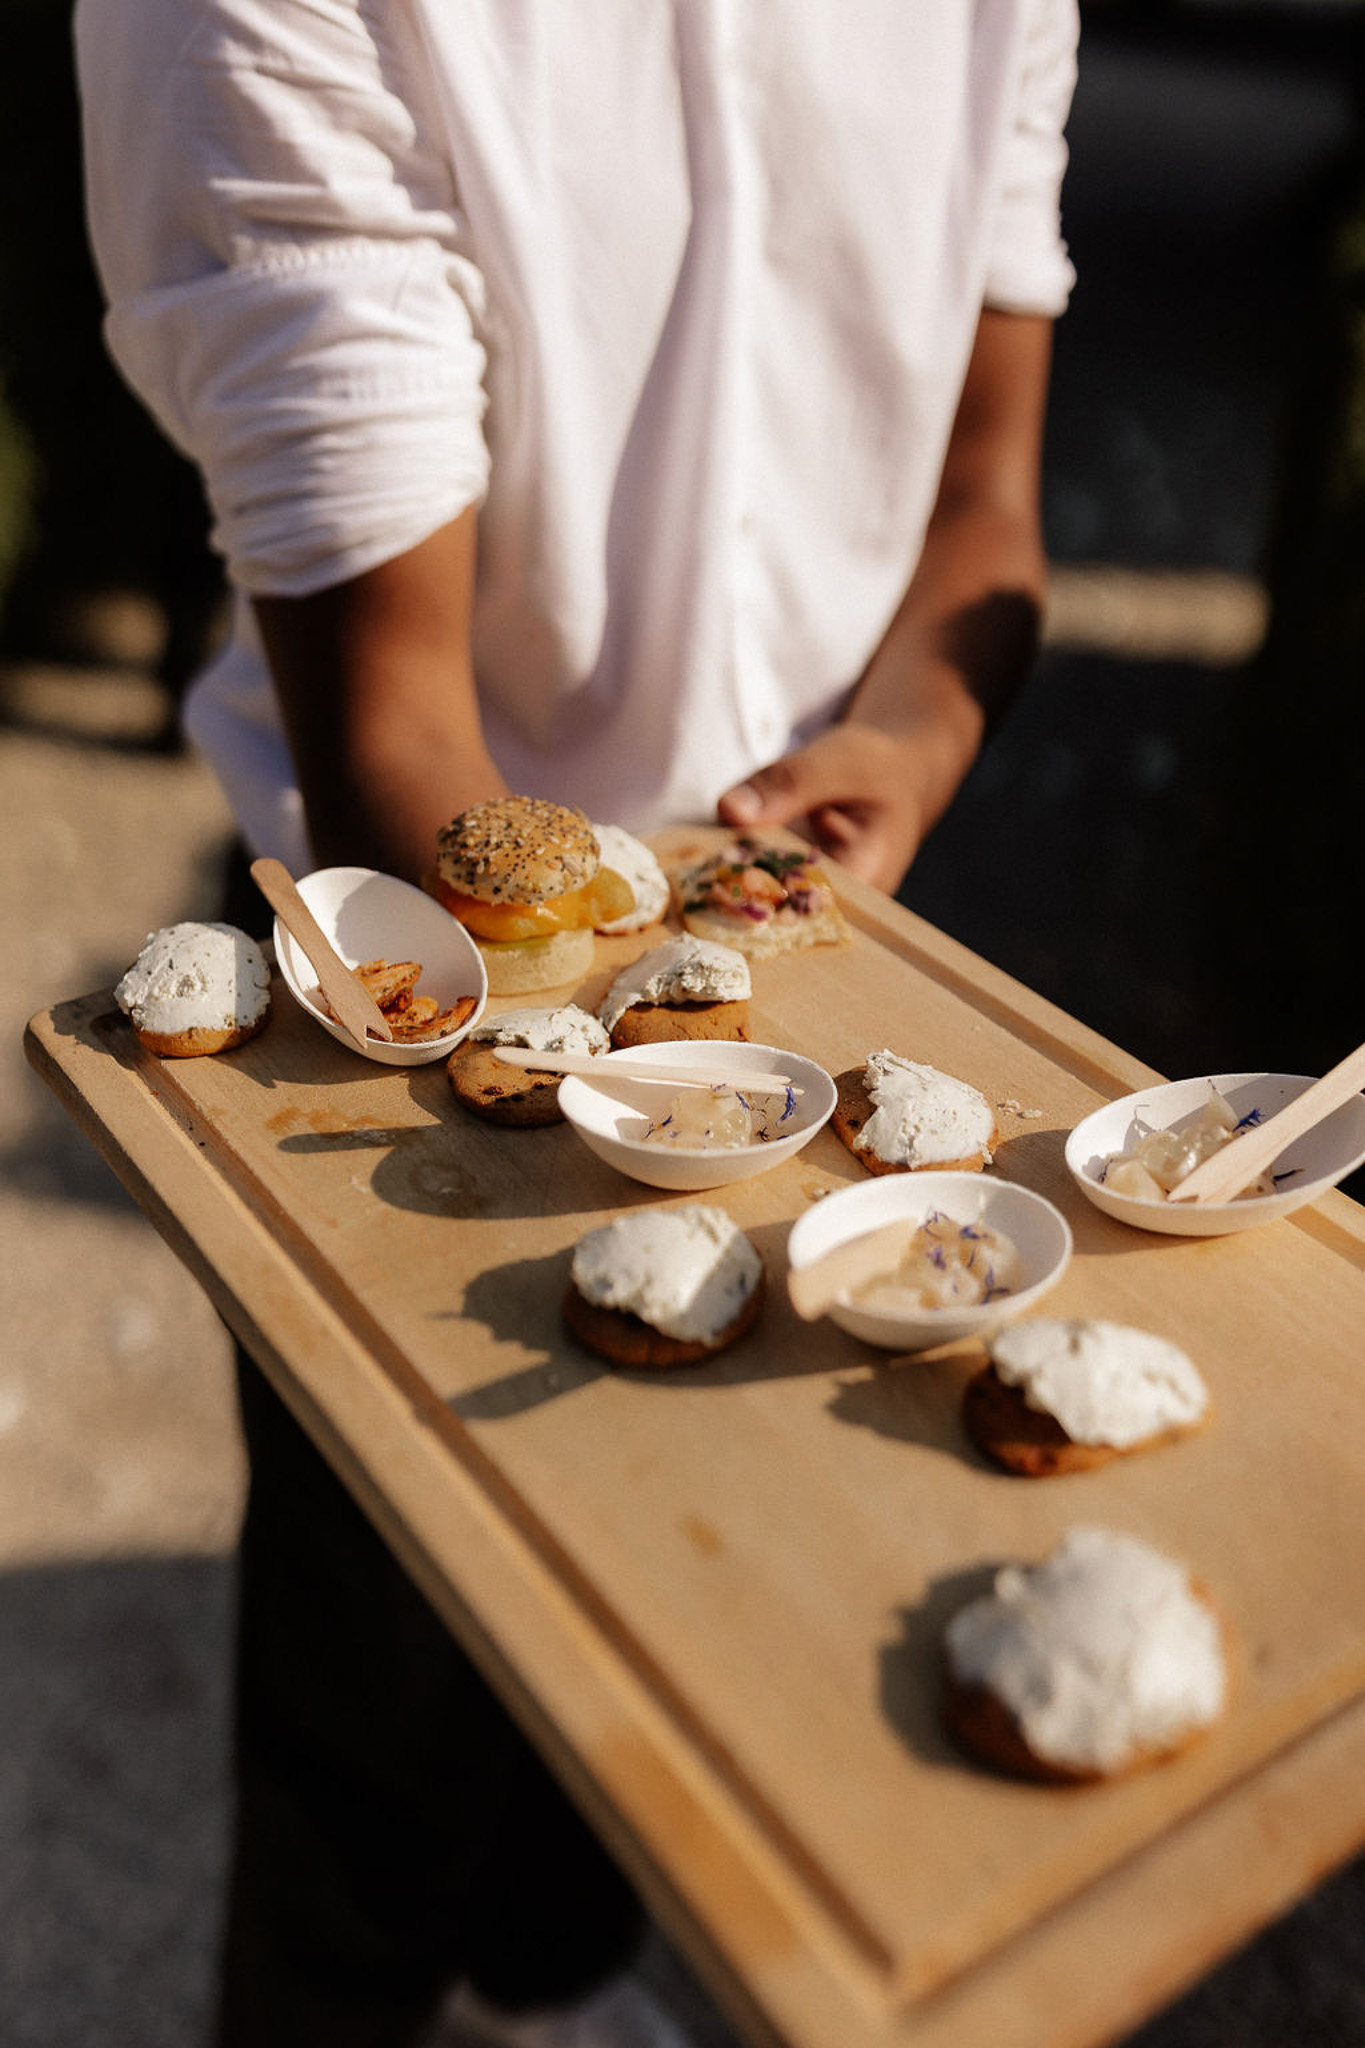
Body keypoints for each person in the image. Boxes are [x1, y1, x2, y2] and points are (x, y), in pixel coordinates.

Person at [74, 4, 1078, 2044]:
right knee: (384, 1703)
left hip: (811, 953)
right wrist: (656, 1010)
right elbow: (398, 738)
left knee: (660, 1676)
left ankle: (552, 1983)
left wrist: (893, 737)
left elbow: (984, 503)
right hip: (413, 990)